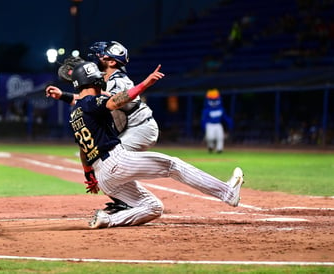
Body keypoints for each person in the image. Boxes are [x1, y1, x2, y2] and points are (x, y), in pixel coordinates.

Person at [46, 62, 245, 229]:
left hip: (103, 176)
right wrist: (145, 83)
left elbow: (83, 150)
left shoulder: (75, 113)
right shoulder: (92, 102)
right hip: (116, 161)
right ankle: (227, 193)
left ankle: (108, 219)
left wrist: (89, 175)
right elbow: (116, 101)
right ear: (93, 80)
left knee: (153, 207)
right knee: (173, 165)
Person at [47, 41, 160, 213]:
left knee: (106, 161)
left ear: (112, 62)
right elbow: (89, 102)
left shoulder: (119, 80)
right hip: (130, 128)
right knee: (102, 161)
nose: (96, 57)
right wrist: (63, 95)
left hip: (141, 128)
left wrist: (80, 83)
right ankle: (126, 199)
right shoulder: (103, 81)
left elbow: (108, 100)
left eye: (101, 55)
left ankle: (127, 201)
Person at [201, 89, 233, 153]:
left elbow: (225, 117)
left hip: (218, 124)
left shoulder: (221, 109)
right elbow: (203, 119)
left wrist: (230, 123)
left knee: (220, 137)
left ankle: (219, 149)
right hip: (210, 125)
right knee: (210, 137)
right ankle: (210, 147)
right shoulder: (206, 110)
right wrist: (204, 127)